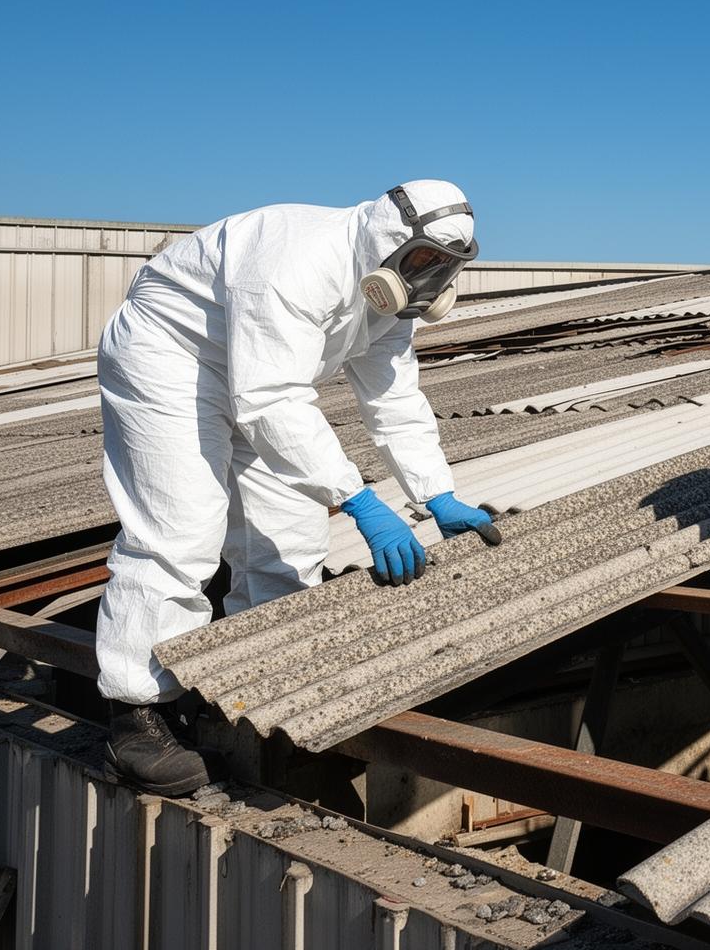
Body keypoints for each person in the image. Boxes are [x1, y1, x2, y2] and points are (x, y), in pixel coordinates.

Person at [95, 180, 501, 794]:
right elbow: (269, 402)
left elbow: (392, 398)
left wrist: (435, 494)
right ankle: (135, 714)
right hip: (173, 358)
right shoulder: (298, 260)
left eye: (444, 267)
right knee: (181, 529)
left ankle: (255, 708)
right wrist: (359, 500)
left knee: (288, 542)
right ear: (391, 241)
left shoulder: (385, 302)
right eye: (423, 262)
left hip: (262, 382)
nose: (430, 279)